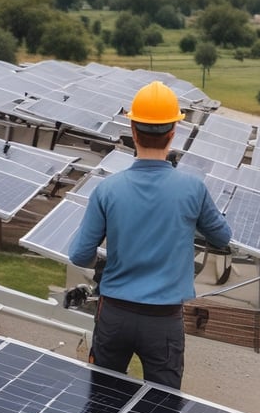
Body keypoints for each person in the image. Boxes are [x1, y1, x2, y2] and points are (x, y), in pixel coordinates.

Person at [68, 80, 232, 389]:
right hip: (164, 322)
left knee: (102, 401)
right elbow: (222, 238)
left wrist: (102, 261)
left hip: (113, 314)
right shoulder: (193, 189)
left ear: (132, 131)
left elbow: (79, 255)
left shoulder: (107, 189)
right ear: (173, 133)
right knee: (161, 410)